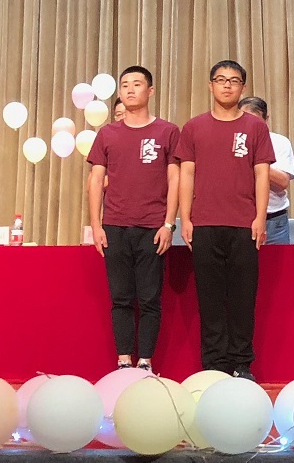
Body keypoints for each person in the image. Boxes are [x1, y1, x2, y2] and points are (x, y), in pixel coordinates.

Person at [176, 60, 274, 381]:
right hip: (204, 223)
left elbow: (261, 174)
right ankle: (214, 365)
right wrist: (185, 217)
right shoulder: (194, 127)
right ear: (211, 86)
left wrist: (260, 217)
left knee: (243, 297)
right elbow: (186, 174)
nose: (227, 85)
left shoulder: (255, 128)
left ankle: (242, 363)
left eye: (233, 81)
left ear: (242, 88)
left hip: (244, 224)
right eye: (220, 80)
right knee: (210, 298)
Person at [87, 66, 179, 372]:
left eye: (137, 84)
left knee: (150, 298)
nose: (129, 89)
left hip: (152, 226)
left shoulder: (167, 132)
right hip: (115, 225)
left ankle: (145, 361)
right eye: (125, 84)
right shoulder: (107, 134)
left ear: (150, 91)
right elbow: (95, 179)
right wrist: (97, 225)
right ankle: (124, 359)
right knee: (121, 297)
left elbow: (175, 179)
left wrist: (169, 223)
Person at [238, 97, 294, 245]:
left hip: (274, 220)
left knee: (277, 260)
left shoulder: (280, 142)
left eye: (256, 121)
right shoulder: (233, 142)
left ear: (266, 120)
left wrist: (255, 161)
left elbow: (282, 182)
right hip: (240, 219)